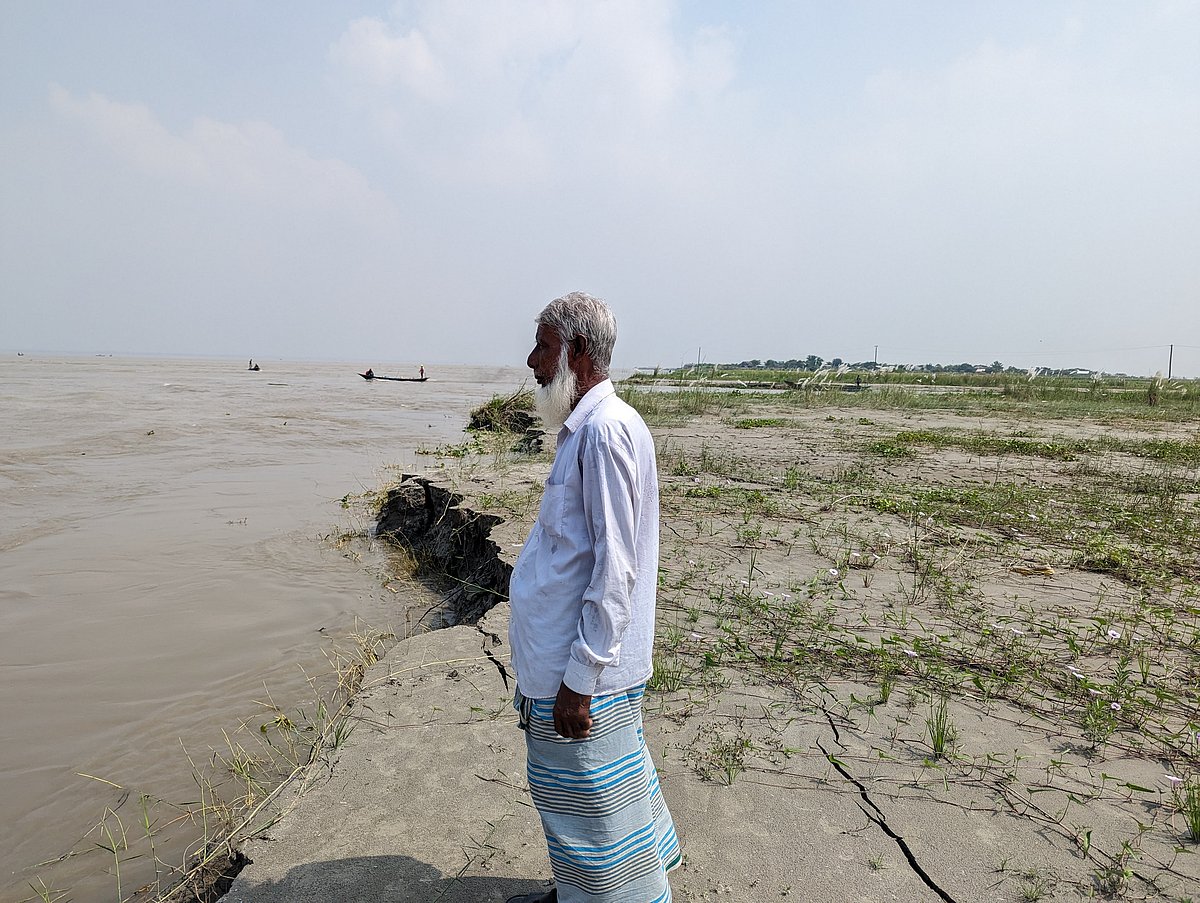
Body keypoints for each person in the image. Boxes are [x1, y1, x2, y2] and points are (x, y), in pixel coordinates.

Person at [506, 292, 681, 903]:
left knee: (595, 819)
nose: (532, 360)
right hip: (573, 667)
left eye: (545, 346)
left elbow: (616, 571)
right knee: (585, 807)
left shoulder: (605, 432)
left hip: (586, 677)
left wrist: (579, 682)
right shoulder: (584, 429)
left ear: (578, 353)